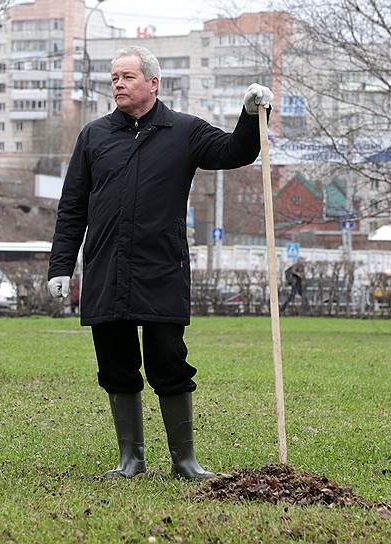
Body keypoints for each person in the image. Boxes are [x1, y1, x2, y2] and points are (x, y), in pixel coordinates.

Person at [46, 46, 272, 480]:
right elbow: (72, 206)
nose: (117, 84)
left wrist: (250, 116)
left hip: (161, 268)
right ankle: (130, 460)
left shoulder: (183, 131)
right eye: (113, 78)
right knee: (115, 365)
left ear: (153, 83)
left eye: (127, 77)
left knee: (168, 361)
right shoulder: (94, 136)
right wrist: (61, 265)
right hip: (106, 268)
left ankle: (185, 462)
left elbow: (235, 152)